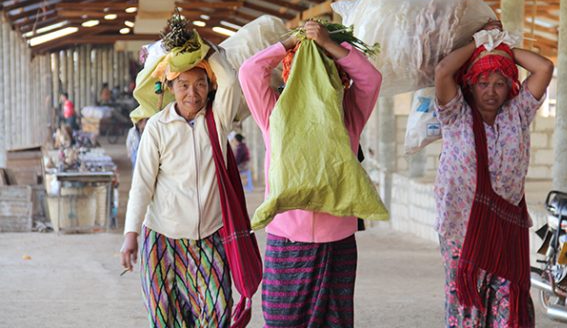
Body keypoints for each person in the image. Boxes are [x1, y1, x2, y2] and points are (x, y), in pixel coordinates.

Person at [239, 20, 381, 327]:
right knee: (281, 321)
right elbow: (249, 71)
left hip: (337, 243)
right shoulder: (274, 113)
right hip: (287, 240)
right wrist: (290, 43)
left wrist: (330, 44)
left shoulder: (349, 114)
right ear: (291, 76)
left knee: (335, 322)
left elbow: (370, 78)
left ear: (338, 79)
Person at [433, 20, 554, 327]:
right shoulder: (455, 115)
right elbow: (443, 71)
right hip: (462, 230)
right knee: (468, 309)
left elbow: (544, 68)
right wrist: (479, 43)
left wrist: (500, 47)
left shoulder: (518, 113)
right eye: (483, 82)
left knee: (507, 305)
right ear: (470, 84)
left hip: (504, 230)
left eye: (499, 83)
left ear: (510, 85)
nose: (491, 91)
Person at [120, 40, 242, 327]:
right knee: (166, 318)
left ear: (209, 87)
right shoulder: (157, 128)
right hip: (163, 238)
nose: (192, 93)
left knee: (218, 312)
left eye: (200, 84)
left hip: (209, 237)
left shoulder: (217, 119)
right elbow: (142, 184)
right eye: (183, 85)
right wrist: (130, 233)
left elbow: (231, 80)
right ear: (171, 87)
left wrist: (206, 49)